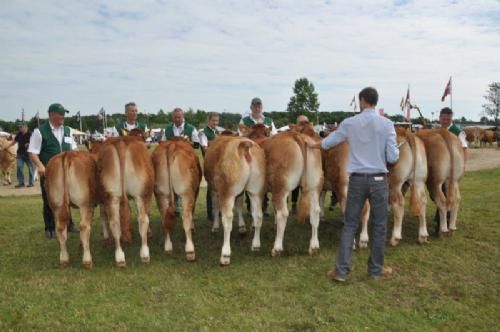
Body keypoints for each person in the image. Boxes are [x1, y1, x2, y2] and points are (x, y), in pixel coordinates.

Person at [307, 87, 399, 282]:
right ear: (375, 101)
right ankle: (375, 269)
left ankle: (341, 270)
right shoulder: (387, 124)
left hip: (356, 179)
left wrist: (315, 145)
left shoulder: (349, 123)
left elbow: (330, 141)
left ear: (362, 101)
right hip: (378, 179)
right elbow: (393, 156)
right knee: (380, 225)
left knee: (349, 224)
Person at [28, 103, 79, 239]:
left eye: (64, 114)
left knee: (67, 198)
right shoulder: (40, 131)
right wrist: (39, 166)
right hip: (49, 172)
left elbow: (74, 150)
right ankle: (50, 227)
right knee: (50, 200)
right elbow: (33, 152)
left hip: (68, 172)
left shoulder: (67, 130)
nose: (63, 117)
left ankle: (69, 224)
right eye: (61, 114)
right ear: (52, 115)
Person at [433, 107, 468, 235]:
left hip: (453, 168)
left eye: (448, 119)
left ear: (451, 119)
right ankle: (442, 221)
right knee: (439, 192)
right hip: (439, 167)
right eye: (443, 118)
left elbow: (464, 149)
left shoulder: (458, 132)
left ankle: (446, 222)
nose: (445, 121)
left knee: (449, 194)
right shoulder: (437, 131)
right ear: (439, 118)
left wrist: (463, 166)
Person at [199, 112, 220, 221]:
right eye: (213, 120)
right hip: (209, 164)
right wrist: (216, 144)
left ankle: (218, 210)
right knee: (211, 188)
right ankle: (210, 213)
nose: (215, 123)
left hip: (219, 163)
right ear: (209, 120)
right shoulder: (203, 132)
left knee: (219, 187)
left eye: (217, 121)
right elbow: (205, 148)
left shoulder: (218, 132)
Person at [291, 115, 310, 212]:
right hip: (297, 163)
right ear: (297, 124)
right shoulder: (293, 135)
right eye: (301, 123)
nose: (303, 125)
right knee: (295, 185)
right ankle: (294, 203)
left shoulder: (311, 133)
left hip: (309, 164)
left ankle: (306, 204)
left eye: (305, 122)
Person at [7, 123, 35, 188]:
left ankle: (31, 183)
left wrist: (29, 144)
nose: (19, 128)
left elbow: (35, 142)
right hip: (20, 154)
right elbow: (14, 142)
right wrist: (7, 147)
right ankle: (21, 183)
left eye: (21, 127)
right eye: (19, 127)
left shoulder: (31, 134)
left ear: (25, 127)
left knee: (31, 168)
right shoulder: (19, 134)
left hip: (29, 155)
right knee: (19, 168)